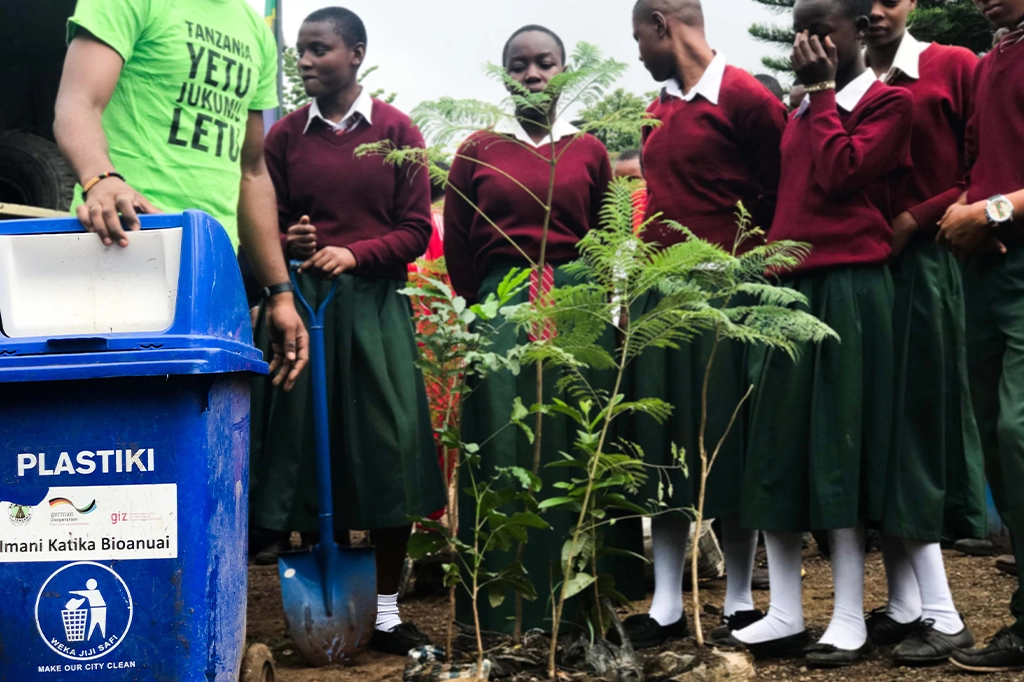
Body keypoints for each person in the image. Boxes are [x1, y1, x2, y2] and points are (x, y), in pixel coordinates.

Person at [248, 7, 445, 656]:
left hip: (373, 309)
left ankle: (386, 612)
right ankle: (308, 600)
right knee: (306, 445)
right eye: (300, 51)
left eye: (319, 50)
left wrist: (356, 253)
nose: (303, 61)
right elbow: (260, 224)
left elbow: (417, 230)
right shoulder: (283, 139)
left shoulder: (396, 131)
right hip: (303, 306)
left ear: (356, 54)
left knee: (386, 444)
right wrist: (291, 240)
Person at [729, 0, 914, 667]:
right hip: (789, 285)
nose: (805, 43)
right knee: (774, 446)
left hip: (850, 290)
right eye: (797, 31)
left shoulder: (890, 106)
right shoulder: (800, 110)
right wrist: (809, 101)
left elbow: (841, 175)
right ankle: (782, 611)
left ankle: (846, 615)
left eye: (820, 30)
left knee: (838, 447)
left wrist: (826, 93)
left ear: (857, 33)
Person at [444, 25, 625, 633]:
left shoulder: (589, 150)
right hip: (500, 303)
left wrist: (598, 302)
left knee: (569, 442)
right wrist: (485, 310)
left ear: (565, 71)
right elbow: (462, 249)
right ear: (504, 75)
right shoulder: (478, 149)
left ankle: (574, 608)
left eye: (545, 63)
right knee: (501, 444)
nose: (533, 74)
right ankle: (498, 606)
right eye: (519, 65)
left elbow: (606, 236)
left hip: (576, 303)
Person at [625, 0, 788, 649]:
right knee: (665, 448)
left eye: (638, 35)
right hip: (664, 296)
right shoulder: (655, 110)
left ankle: (742, 599)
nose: (637, 50)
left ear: (664, 23)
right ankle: (666, 604)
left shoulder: (745, 97)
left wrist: (759, 277)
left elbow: (781, 195)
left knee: (731, 445)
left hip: (730, 291)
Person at [53, 0, 307, 390]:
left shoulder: (256, 32)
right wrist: (101, 178)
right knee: (108, 422)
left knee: (197, 424)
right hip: (122, 245)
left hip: (211, 269)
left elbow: (252, 172)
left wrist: (280, 292)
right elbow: (77, 102)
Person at [862, 0, 983, 666]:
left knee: (914, 426)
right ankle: (907, 603)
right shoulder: (846, 82)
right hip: (868, 272)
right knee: (885, 426)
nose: (876, 8)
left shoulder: (951, 66)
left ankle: (944, 612)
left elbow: (981, 165)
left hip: (931, 264)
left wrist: (914, 218)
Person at [941, 0, 1024, 672]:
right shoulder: (990, 60)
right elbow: (981, 161)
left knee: (1017, 430)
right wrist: (961, 206)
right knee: (997, 439)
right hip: (985, 270)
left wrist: (991, 210)